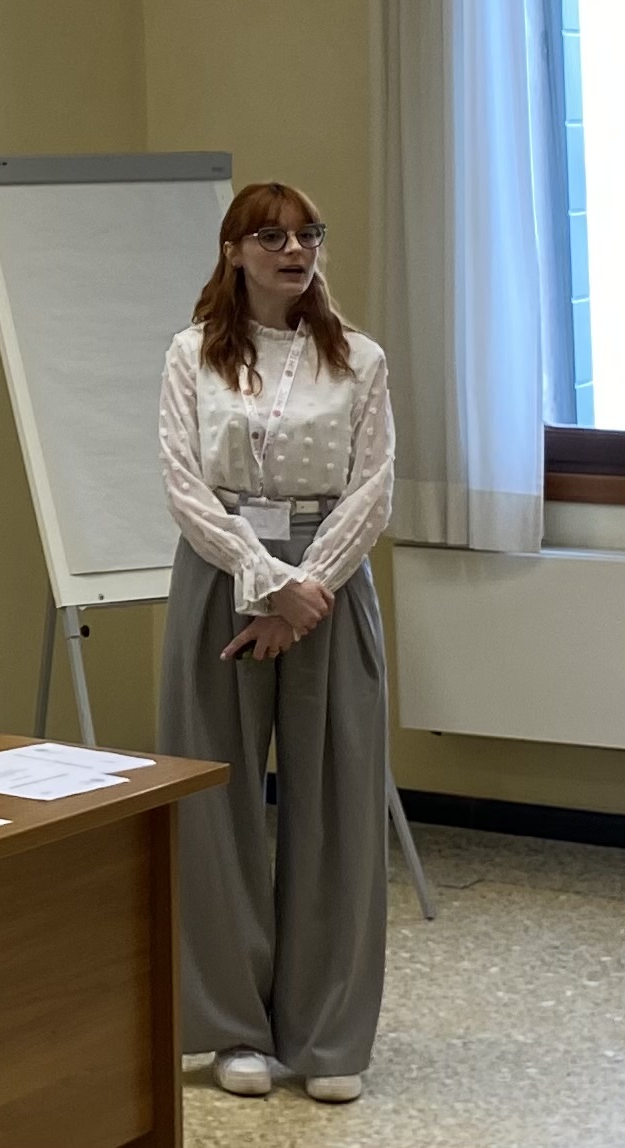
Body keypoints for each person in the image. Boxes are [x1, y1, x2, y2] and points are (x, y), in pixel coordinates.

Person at [157, 180, 395, 1104]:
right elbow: (184, 485)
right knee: (212, 802)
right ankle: (231, 1027)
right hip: (221, 575)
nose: (295, 252)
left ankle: (327, 1034)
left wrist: (304, 591)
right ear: (234, 251)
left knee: (336, 800)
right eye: (272, 237)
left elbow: (372, 488)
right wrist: (265, 581)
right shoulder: (191, 355)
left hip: (328, 582)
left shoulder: (360, 359)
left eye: (308, 236)